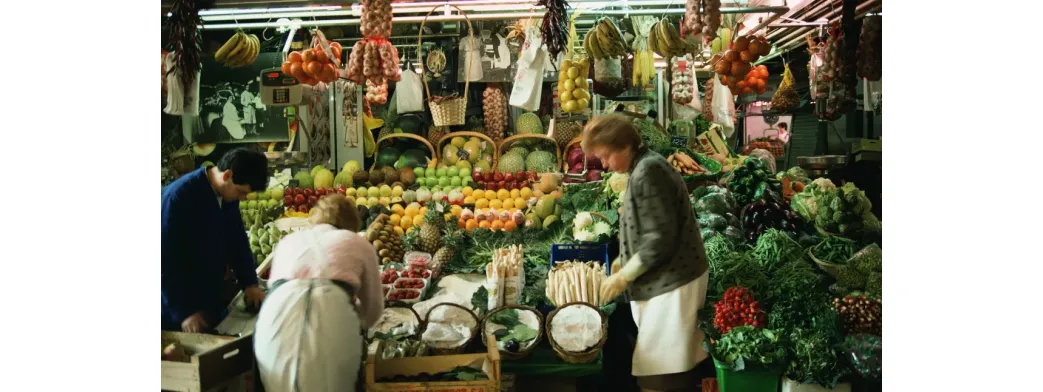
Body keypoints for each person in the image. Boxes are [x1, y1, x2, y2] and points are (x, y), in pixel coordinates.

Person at [583, 114, 711, 392]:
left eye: (605, 157)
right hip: (669, 278)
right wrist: (623, 260)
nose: (603, 165)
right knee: (668, 362)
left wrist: (625, 276)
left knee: (662, 369)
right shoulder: (643, 165)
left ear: (625, 146)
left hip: (673, 281)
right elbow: (649, 223)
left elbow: (659, 238)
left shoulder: (648, 172)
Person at [254, 194, 382, 392]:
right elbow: (372, 310)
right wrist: (354, 314)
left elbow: (274, 288)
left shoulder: (288, 241)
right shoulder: (357, 242)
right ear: (352, 224)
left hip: (273, 323)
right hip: (329, 319)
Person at [162, 147, 269, 333]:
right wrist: (183, 312)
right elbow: (163, 260)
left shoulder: (227, 196)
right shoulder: (179, 198)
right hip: (176, 307)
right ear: (227, 175)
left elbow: (237, 240)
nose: (242, 198)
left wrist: (250, 283)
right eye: (241, 192)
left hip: (208, 297)